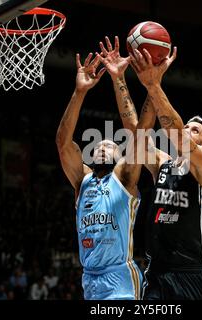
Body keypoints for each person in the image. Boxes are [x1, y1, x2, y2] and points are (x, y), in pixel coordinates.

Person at [55, 46, 144, 300]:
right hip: (90, 278)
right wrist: (79, 91)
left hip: (121, 279)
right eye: (99, 146)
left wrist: (118, 78)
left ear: (120, 159)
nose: (103, 147)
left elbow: (137, 137)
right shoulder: (81, 181)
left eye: (110, 146)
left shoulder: (124, 179)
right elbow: (63, 143)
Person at [130, 47, 202, 300]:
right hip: (156, 270)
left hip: (190, 273)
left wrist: (155, 84)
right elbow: (138, 138)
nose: (188, 130)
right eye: (187, 125)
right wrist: (141, 84)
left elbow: (177, 136)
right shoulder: (163, 163)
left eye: (195, 130)